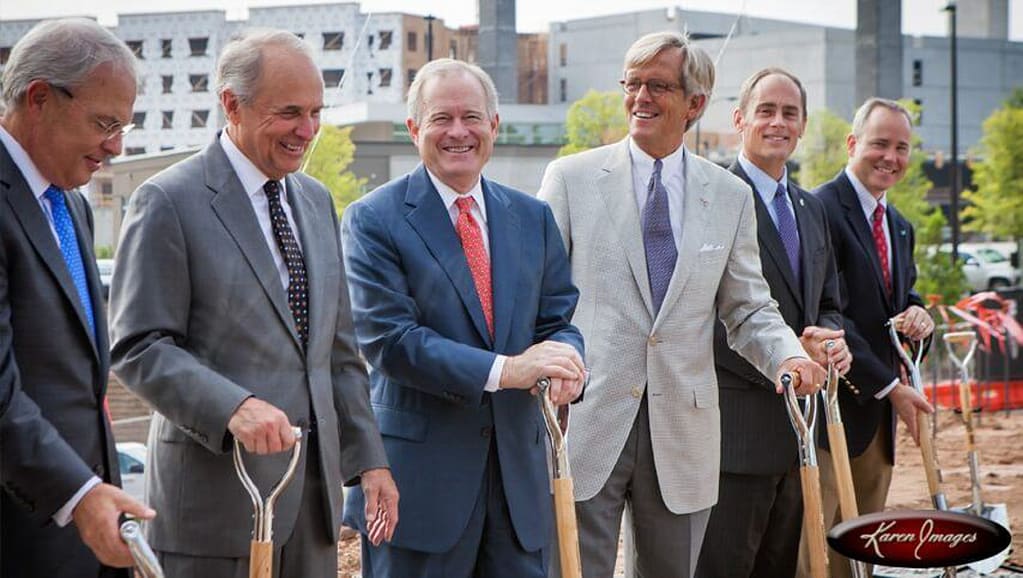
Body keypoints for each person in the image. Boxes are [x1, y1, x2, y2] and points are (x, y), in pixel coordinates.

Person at [537, 32, 826, 578]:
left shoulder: (731, 197)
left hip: (683, 431)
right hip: (587, 418)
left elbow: (748, 308)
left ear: (694, 104)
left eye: (658, 86)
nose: (640, 98)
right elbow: (539, 298)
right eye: (633, 83)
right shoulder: (571, 180)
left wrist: (786, 356)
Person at [109, 29, 396, 577]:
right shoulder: (167, 201)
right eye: (290, 112)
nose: (307, 131)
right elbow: (138, 346)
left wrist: (369, 464)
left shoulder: (314, 201)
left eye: (315, 112)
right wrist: (232, 407)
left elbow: (338, 354)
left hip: (313, 514)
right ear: (231, 105)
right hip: (214, 515)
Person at [340, 58, 586, 578]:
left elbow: (557, 320)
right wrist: (508, 371)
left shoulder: (532, 218)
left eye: (472, 117)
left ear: (494, 126)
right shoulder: (372, 219)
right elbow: (390, 341)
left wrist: (569, 360)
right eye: (441, 118)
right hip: (418, 491)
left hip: (519, 489)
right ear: (414, 130)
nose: (458, 132)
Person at [0, 18, 155, 577]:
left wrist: (96, 493)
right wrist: (79, 494)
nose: (114, 147)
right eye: (104, 123)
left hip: (84, 533)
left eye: (123, 127)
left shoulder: (71, 205)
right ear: (39, 98)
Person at [694, 68, 851, 578]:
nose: (778, 122)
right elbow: (699, 311)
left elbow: (828, 301)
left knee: (779, 568)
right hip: (734, 436)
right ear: (740, 119)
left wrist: (826, 339)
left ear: (803, 125)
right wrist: (782, 351)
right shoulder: (710, 197)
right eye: (766, 110)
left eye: (789, 113)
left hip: (800, 434)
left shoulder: (810, 209)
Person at [796, 97, 934, 578]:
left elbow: (898, 300)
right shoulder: (818, 209)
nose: (890, 157)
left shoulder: (898, 226)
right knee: (816, 550)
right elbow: (826, 312)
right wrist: (891, 388)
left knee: (862, 551)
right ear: (853, 144)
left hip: (878, 421)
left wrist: (919, 314)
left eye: (902, 147)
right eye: (879, 143)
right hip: (832, 409)